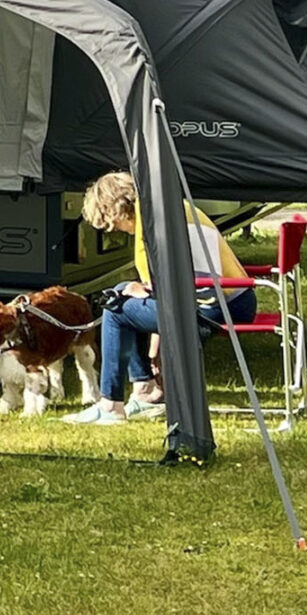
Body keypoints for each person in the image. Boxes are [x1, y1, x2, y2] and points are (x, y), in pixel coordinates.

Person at [64, 170, 257, 426]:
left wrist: (149, 293)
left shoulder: (153, 223)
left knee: (115, 307)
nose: (115, 230)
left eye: (111, 223)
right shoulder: (167, 208)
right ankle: (145, 390)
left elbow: (187, 286)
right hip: (235, 298)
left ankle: (111, 404)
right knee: (121, 291)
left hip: (214, 306)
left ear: (114, 209)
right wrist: (154, 336)